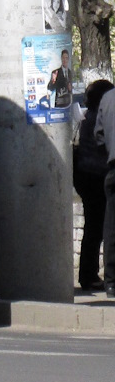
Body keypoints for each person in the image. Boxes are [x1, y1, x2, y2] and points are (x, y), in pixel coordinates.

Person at [74, 79, 112, 291]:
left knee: (93, 227)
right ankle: (91, 275)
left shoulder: (86, 117)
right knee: (101, 228)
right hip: (98, 176)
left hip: (86, 177)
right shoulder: (100, 117)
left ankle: (88, 274)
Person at [95, 78, 115, 296]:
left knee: (111, 228)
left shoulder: (108, 98)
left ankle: (111, 281)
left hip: (113, 168)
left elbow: (98, 136)